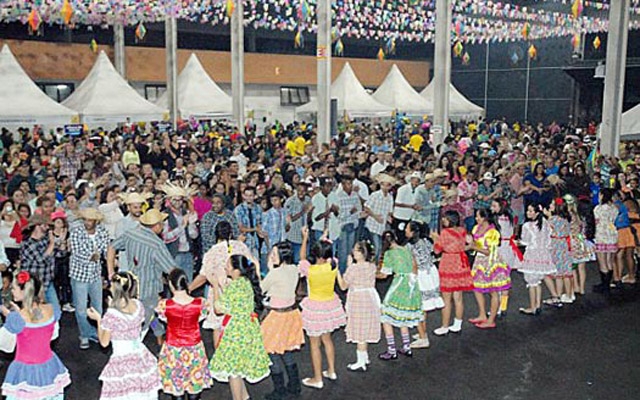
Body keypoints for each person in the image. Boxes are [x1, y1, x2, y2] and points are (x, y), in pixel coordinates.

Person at [87, 271, 161, 400]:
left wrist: (99, 320)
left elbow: (104, 342)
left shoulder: (112, 314)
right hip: (140, 356)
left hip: (122, 359)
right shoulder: (138, 305)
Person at [0, 271, 71, 399]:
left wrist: (10, 317)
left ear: (24, 292)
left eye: (14, 288)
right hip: (49, 365)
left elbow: (4, 344)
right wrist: (18, 314)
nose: (12, 291)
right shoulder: (52, 309)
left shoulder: (17, 319)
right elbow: (52, 335)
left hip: (25, 370)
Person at [107, 208, 176, 339]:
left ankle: (159, 336)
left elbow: (111, 247)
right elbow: (171, 269)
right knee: (143, 323)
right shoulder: (156, 244)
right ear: (156, 226)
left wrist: (111, 272)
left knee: (149, 316)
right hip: (149, 289)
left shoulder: (131, 234)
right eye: (162, 223)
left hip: (131, 287)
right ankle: (136, 348)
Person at [209, 255, 271, 400]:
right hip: (248, 328)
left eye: (228, 265)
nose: (225, 267)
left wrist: (216, 287)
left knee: (234, 370)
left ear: (236, 269)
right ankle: (244, 396)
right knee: (239, 367)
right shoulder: (245, 282)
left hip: (236, 331)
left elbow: (218, 309)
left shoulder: (236, 285)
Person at [190, 221, 258, 347]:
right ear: (231, 233)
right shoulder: (241, 246)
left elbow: (203, 276)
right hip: (241, 292)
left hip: (219, 293)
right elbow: (252, 264)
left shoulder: (212, 252)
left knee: (218, 326)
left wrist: (187, 289)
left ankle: (220, 358)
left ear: (216, 235)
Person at [298, 227, 346, 389]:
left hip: (314, 308)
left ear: (316, 255)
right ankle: (331, 370)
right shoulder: (333, 264)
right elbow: (329, 255)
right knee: (327, 339)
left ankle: (317, 378)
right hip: (330, 305)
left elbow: (302, 257)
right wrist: (325, 239)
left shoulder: (310, 270)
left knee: (314, 344)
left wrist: (305, 238)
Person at [157, 268, 214, 400]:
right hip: (194, 350)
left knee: (177, 391)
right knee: (194, 388)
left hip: (173, 351)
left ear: (171, 284)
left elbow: (162, 320)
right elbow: (201, 318)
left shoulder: (165, 305)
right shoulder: (201, 304)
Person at [260, 241, 304, 400]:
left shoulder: (275, 273)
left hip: (276, 317)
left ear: (282, 255)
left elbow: (261, 288)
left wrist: (267, 269)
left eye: (274, 254)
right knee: (287, 350)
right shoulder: (294, 269)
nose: (271, 256)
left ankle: (280, 390)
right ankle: (294, 385)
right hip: (291, 315)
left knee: (272, 352)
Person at [377, 230, 423, 359]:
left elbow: (384, 274)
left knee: (386, 316)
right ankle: (407, 346)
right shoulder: (406, 249)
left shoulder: (388, 254)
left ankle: (391, 350)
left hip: (399, 284)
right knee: (403, 317)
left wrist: (372, 274)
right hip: (411, 285)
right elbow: (415, 266)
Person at [69, 208, 110, 350]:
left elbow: (106, 250)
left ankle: (97, 333)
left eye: (90, 220)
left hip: (95, 274)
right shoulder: (76, 233)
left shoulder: (103, 232)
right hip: (79, 275)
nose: (87, 222)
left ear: (96, 221)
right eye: (85, 219)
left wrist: (103, 257)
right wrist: (92, 257)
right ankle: (85, 334)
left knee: (98, 308)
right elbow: (76, 253)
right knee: (81, 310)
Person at [336, 240, 380, 371]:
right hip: (370, 299)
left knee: (360, 332)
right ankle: (364, 356)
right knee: (366, 327)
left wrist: (338, 272)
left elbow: (343, 286)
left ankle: (361, 362)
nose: (353, 251)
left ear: (361, 253)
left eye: (355, 250)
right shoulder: (372, 266)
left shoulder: (354, 268)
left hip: (358, 301)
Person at [468, 208, 511, 329]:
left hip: (491, 262)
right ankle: (482, 314)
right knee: (476, 287)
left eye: (478, 217)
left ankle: (491, 319)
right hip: (480, 261)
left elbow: (488, 252)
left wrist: (473, 247)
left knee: (494, 290)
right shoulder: (476, 228)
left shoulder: (492, 232)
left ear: (485, 218)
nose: (476, 219)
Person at [431, 210, 472, 336]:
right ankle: (457, 324)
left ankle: (444, 326)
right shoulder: (461, 230)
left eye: (445, 218)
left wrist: (435, 239)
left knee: (446, 299)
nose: (443, 220)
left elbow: (437, 250)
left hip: (448, 263)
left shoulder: (445, 233)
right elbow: (470, 242)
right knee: (458, 297)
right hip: (460, 263)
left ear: (450, 220)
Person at [404, 221, 443, 349]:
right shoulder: (425, 241)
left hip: (421, 276)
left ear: (413, 232)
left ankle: (423, 338)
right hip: (430, 273)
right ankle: (422, 331)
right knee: (424, 306)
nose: (405, 230)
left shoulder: (409, 247)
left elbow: (412, 264)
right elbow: (434, 252)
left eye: (407, 229)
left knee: (418, 307)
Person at [517, 204, 556, 314]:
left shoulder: (527, 226)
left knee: (531, 282)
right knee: (538, 281)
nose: (528, 213)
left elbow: (525, 241)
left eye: (530, 211)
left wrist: (518, 242)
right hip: (543, 254)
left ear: (536, 213)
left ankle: (533, 307)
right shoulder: (546, 223)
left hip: (532, 254)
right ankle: (537, 305)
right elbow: (549, 240)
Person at [490, 199, 522, 317]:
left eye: (494, 205)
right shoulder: (510, 218)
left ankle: (497, 307)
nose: (491, 207)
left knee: (498, 279)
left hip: (500, 249)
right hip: (509, 249)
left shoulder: (496, 220)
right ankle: (503, 306)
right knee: (506, 279)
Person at [20, 214, 59, 309]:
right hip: (33, 285)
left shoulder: (45, 240)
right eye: (45, 225)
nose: (48, 228)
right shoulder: (27, 244)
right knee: (34, 312)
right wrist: (52, 243)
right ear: (37, 226)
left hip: (47, 281)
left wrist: (61, 245)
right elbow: (41, 260)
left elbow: (58, 254)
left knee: (56, 310)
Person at [542, 199, 574, 305]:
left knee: (558, 273)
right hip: (564, 244)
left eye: (552, 204)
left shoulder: (553, 219)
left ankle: (559, 295)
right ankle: (569, 295)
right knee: (565, 273)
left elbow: (546, 228)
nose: (550, 206)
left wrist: (546, 215)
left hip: (556, 245)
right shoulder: (567, 218)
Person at [564, 194, 595, 296]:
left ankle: (575, 286)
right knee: (582, 266)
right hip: (581, 241)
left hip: (572, 242)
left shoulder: (568, 217)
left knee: (572, 266)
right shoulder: (579, 215)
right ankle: (582, 288)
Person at [364, 173, 395, 263]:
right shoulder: (375, 195)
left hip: (382, 227)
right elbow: (366, 207)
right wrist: (375, 216)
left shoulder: (390, 197)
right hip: (372, 225)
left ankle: (374, 265)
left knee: (380, 248)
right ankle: (373, 266)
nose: (385, 187)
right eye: (383, 184)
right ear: (380, 185)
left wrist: (389, 217)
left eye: (387, 185)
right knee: (377, 248)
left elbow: (390, 211)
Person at [593, 188, 618, 292]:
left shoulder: (598, 208)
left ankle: (604, 285)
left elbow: (596, 221)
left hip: (601, 235)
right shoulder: (614, 208)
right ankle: (608, 282)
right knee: (609, 260)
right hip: (612, 234)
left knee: (602, 261)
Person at [51, 210, 73, 313]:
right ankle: (55, 303)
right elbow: (51, 248)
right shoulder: (50, 233)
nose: (59, 224)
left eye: (61, 222)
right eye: (57, 222)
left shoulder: (67, 234)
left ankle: (66, 302)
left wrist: (62, 241)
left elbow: (67, 249)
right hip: (52, 260)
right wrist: (60, 243)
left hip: (64, 260)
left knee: (65, 281)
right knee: (54, 281)